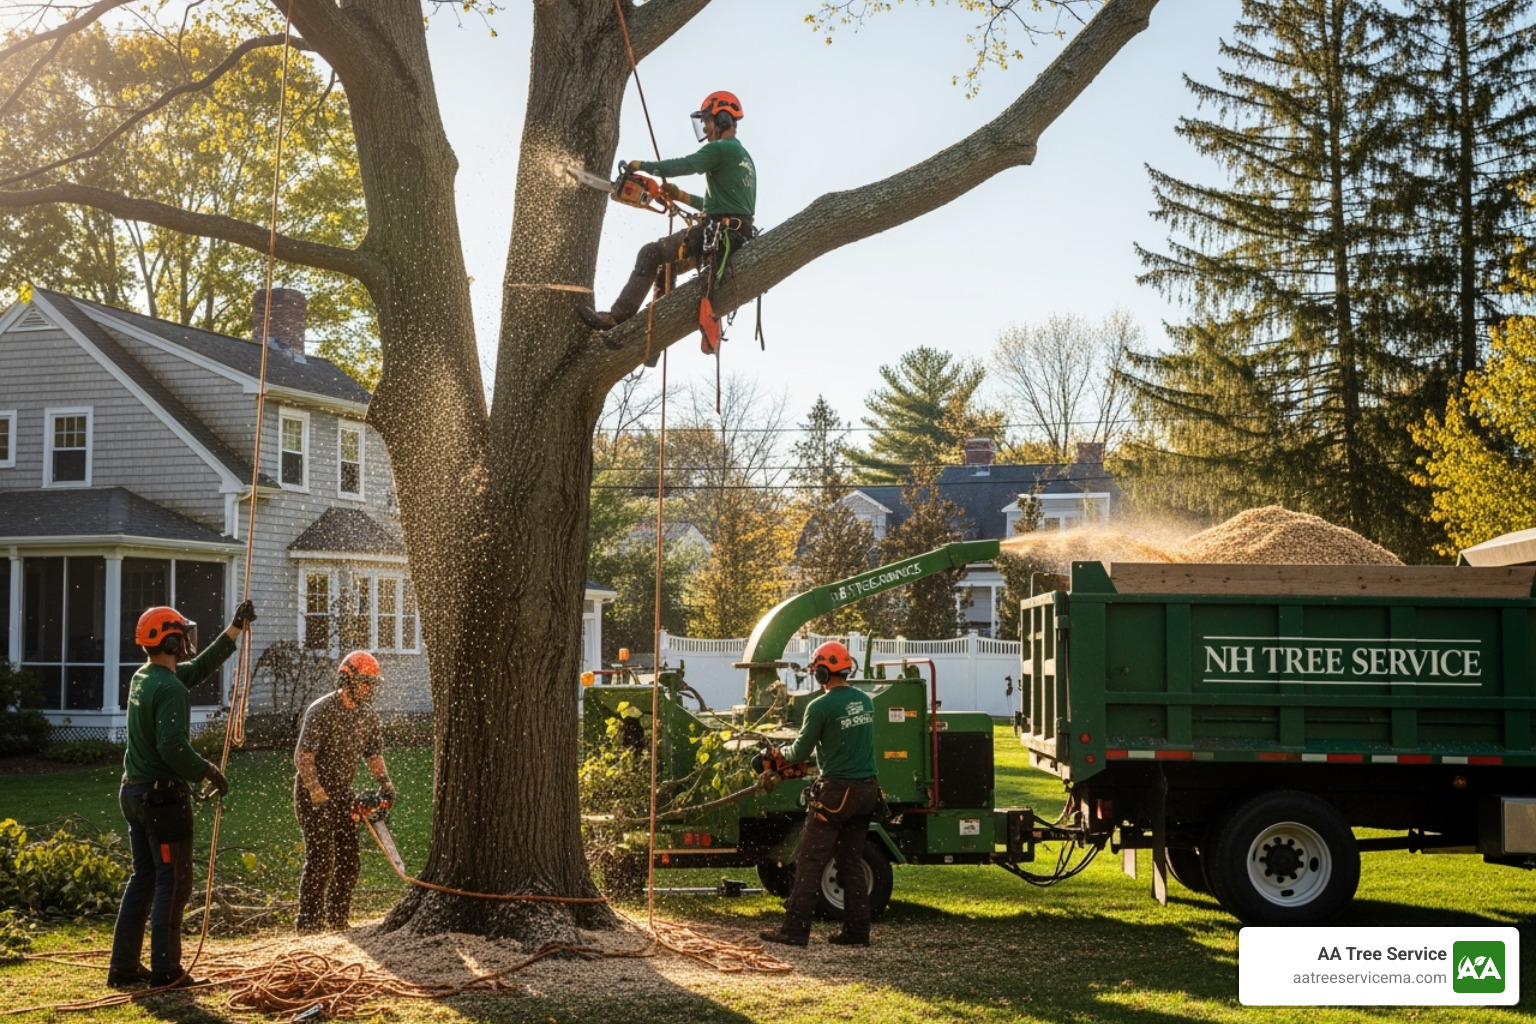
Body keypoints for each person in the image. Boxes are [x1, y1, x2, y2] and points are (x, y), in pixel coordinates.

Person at [108, 599, 256, 989]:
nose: (187, 643)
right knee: (173, 882)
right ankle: (166, 970)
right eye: (182, 637)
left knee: (144, 878)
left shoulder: (145, 678)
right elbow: (172, 747)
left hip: (133, 793)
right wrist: (207, 770)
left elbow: (202, 666)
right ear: (171, 644)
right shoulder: (170, 688)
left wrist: (235, 628)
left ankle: (123, 966)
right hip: (162, 802)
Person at [577, 90, 757, 331]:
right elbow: (719, 205)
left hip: (718, 237)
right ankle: (657, 327)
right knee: (667, 265)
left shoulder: (721, 149)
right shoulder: (743, 156)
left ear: (722, 119)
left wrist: (644, 166)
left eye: (707, 122)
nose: (705, 129)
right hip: (733, 236)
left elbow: (684, 164)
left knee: (650, 254)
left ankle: (616, 318)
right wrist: (680, 195)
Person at [759, 641, 881, 948]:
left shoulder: (820, 706)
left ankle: (795, 930)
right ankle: (857, 931)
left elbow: (799, 750)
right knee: (850, 861)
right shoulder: (865, 701)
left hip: (837, 792)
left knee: (809, 859)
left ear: (822, 673)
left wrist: (775, 754)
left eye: (817, 671)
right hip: (868, 792)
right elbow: (842, 744)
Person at [293, 650, 395, 934]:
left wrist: (386, 784)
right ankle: (309, 924)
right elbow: (303, 757)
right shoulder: (321, 710)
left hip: (341, 792)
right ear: (346, 679)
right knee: (320, 858)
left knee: (350, 858)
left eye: (372, 684)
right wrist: (316, 791)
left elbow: (373, 754)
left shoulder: (368, 716)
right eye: (364, 682)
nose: (368, 689)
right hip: (311, 791)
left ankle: (338, 919)